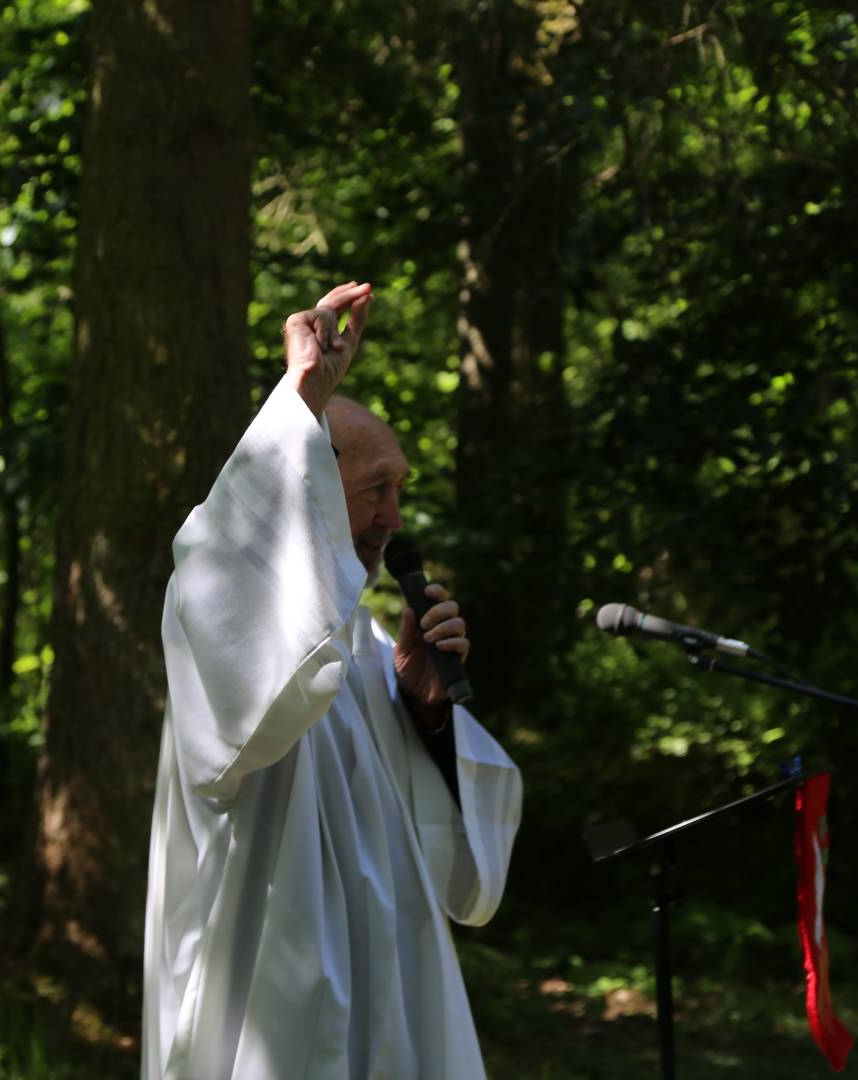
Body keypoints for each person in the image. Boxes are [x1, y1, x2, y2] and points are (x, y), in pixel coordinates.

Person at [142, 282, 523, 1079]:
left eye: (399, 490)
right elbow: (228, 554)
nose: (393, 517)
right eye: (372, 489)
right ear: (309, 489)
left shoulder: (370, 644)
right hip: (265, 989)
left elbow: (452, 863)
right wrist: (301, 398)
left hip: (393, 992)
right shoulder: (210, 602)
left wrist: (423, 707)